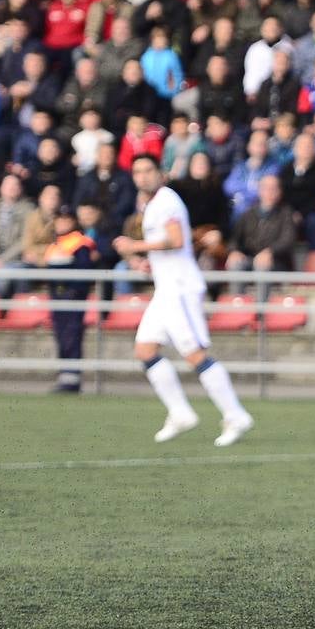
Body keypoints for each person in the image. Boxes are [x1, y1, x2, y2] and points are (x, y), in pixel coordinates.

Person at [113, 155, 254, 446]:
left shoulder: (166, 200)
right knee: (145, 349)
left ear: (160, 174)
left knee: (194, 354)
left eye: (148, 170)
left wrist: (135, 246)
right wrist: (148, 263)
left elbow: (177, 240)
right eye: (137, 172)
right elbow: (170, 248)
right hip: (166, 288)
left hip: (180, 288)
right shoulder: (152, 205)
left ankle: (235, 414)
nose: (142, 176)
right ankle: (179, 412)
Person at [44, 205, 97, 393]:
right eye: (59, 219)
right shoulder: (56, 244)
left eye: (66, 219)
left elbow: (84, 271)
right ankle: (65, 377)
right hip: (57, 297)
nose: (61, 223)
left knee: (71, 336)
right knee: (61, 336)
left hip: (72, 297)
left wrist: (73, 291)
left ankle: (72, 380)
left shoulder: (79, 243)